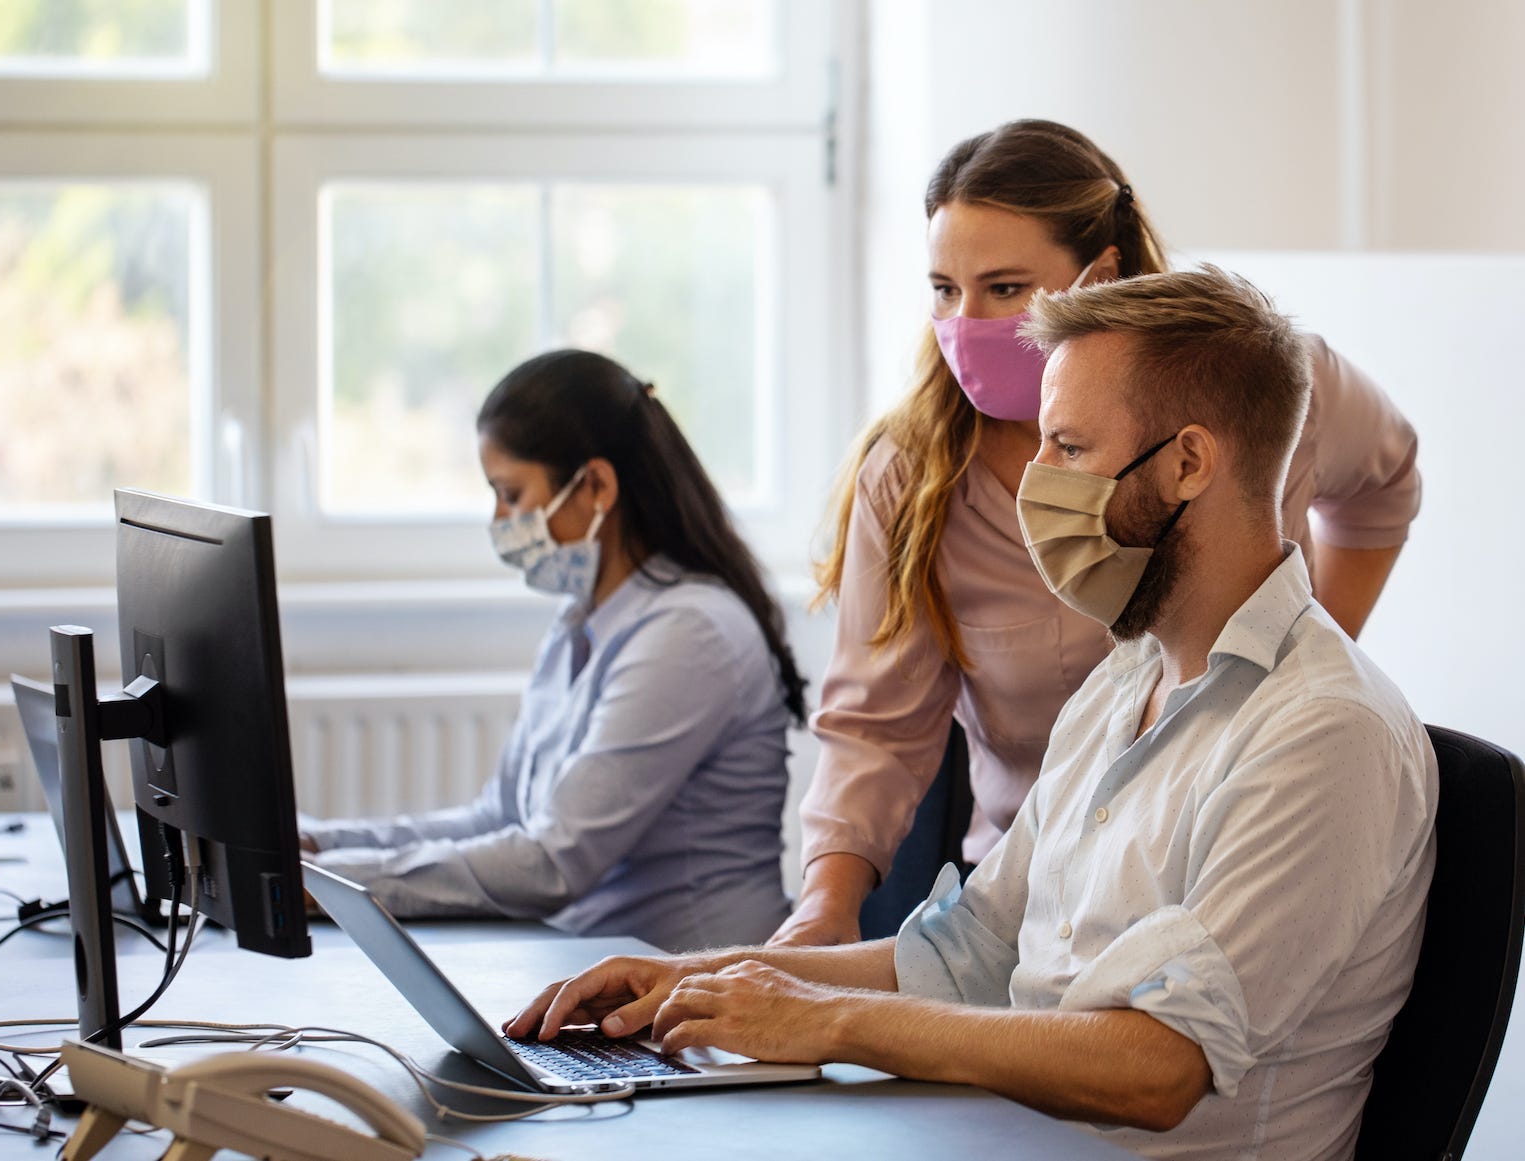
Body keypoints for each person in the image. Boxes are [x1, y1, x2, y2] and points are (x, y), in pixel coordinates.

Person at [506, 268, 1438, 1161]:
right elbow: (973, 951)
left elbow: (1159, 1067)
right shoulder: (1120, 684)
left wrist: (827, 1021)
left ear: (1189, 461)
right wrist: (701, 975)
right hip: (989, 1134)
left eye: (1068, 447)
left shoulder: (1323, 731)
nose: (1035, 482)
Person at [776, 119, 1422, 946]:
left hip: (1224, 867)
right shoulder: (914, 475)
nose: (964, 323)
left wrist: (1306, 643)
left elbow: (1386, 479)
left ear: (1100, 274)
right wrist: (822, 914)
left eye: (1005, 288)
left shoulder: (1266, 387)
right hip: (1031, 903)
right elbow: (876, 728)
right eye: (943, 289)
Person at [300, 349, 806, 953]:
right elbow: (500, 819)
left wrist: (326, 884)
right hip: (599, 970)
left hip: (695, 987)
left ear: (595, 485)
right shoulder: (580, 623)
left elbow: (552, 863)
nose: (499, 518)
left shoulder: (689, 634)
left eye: (510, 494)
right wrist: (321, 848)